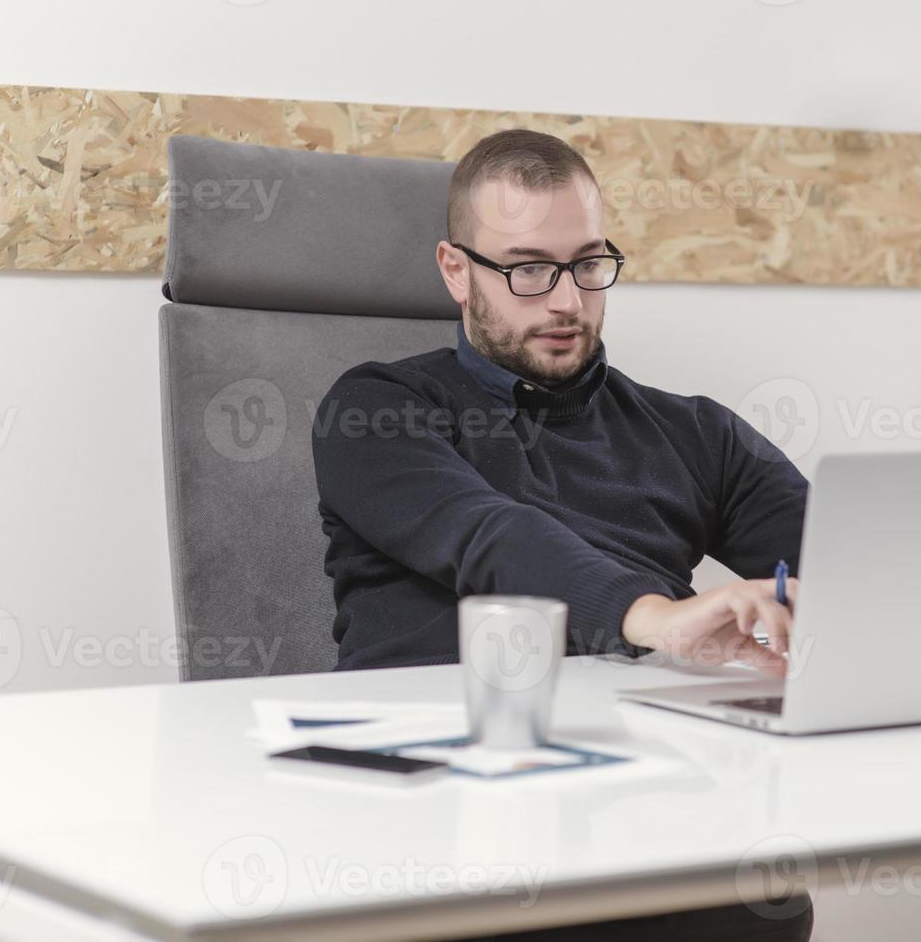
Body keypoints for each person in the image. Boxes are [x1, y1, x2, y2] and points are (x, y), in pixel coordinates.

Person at [312, 128, 813, 940]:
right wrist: (652, 617)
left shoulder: (694, 433)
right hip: (436, 800)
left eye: (587, 264)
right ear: (455, 271)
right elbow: (489, 536)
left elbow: (843, 561)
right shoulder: (374, 411)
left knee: (765, 898)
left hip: (636, 778)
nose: (565, 300)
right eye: (528, 268)